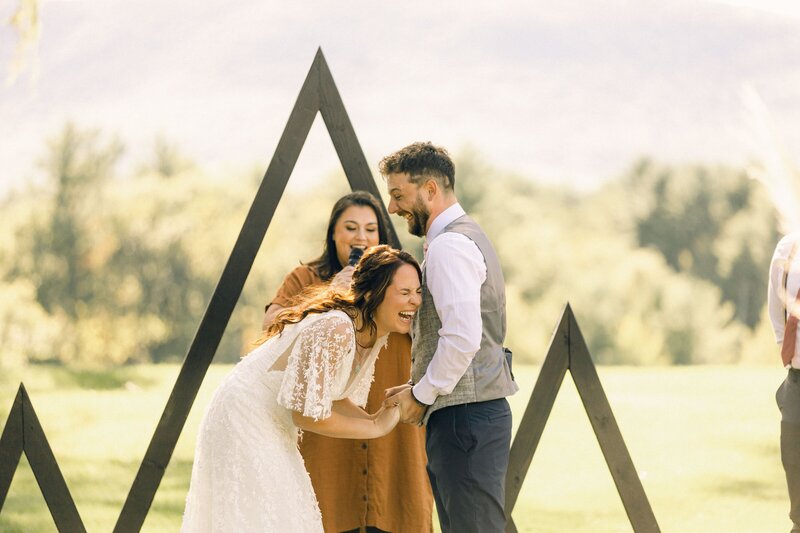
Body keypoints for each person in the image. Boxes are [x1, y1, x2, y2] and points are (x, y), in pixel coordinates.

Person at [181, 246, 422, 533]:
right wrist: (375, 427)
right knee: (267, 511)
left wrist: (373, 417)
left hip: (275, 423)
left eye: (418, 292)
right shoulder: (336, 328)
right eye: (405, 292)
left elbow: (333, 396)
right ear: (372, 293)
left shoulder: (373, 334)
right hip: (242, 415)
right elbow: (306, 415)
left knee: (288, 511)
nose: (415, 301)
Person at [263, 191, 433, 533]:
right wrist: (335, 293)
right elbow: (271, 326)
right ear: (333, 233)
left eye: (371, 229)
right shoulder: (306, 278)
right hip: (326, 432)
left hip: (390, 431)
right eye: (351, 227)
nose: (361, 237)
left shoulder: (402, 282)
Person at [380, 142, 518, 533]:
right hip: (469, 418)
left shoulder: (449, 247)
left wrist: (420, 394)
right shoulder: (462, 237)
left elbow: (461, 338)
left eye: (398, 194)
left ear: (429, 190)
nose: (392, 207)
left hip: (465, 422)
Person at [769, 232, 800, 533]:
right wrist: (791, 353)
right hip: (798, 381)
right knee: (793, 459)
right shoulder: (788, 248)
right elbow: (775, 309)